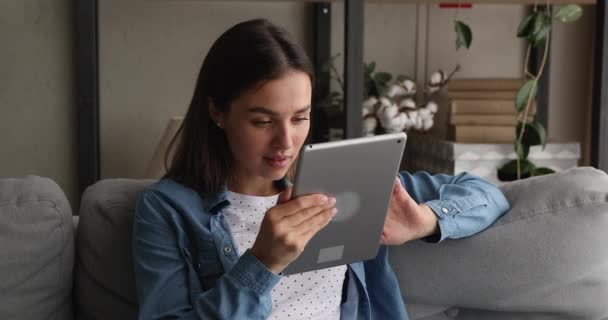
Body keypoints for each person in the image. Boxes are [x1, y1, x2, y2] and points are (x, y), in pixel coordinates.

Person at [132, 18, 510, 320]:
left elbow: (487, 195)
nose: (286, 142)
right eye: (263, 122)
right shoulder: (168, 209)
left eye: (300, 118)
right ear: (217, 112)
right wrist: (262, 264)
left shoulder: (344, 180)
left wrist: (426, 220)